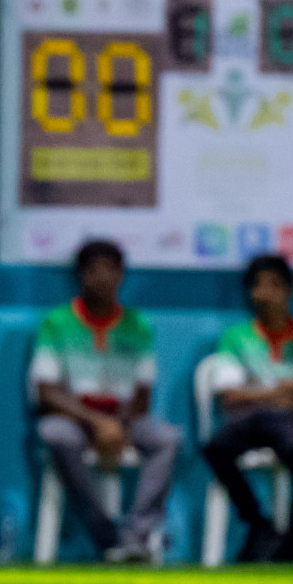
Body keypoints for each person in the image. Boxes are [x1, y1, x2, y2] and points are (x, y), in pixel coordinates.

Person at [30, 241, 180, 562]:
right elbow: (47, 392)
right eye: (94, 270)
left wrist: (119, 425)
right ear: (80, 276)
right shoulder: (57, 323)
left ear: (122, 276)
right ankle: (106, 535)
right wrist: (97, 423)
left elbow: (142, 396)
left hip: (124, 419)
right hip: (73, 418)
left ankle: (137, 536)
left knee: (167, 439)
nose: (102, 278)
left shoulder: (138, 326)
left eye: (110, 270)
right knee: (54, 434)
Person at [203, 254, 293, 563]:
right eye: (258, 286)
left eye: (273, 286)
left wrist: (262, 390)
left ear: (288, 290)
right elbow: (231, 398)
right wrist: (291, 389)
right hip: (250, 422)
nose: (265, 294)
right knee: (216, 448)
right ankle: (258, 524)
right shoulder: (236, 338)